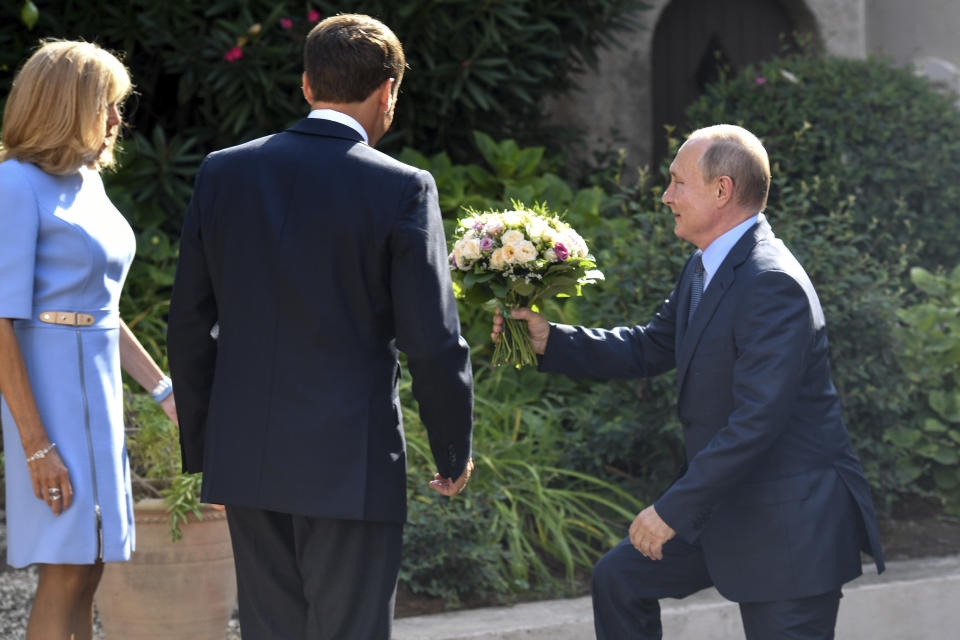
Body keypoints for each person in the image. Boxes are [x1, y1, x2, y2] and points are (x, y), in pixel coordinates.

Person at [493, 124, 885, 639]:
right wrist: (551, 341)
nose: (665, 195)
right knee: (621, 579)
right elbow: (651, 345)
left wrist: (672, 509)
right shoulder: (706, 266)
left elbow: (757, 422)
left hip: (788, 526)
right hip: (729, 503)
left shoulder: (770, 282)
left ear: (721, 190)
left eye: (677, 182)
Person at [166, 13, 474, 640]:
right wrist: (452, 447)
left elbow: (190, 325)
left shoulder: (222, 172)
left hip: (246, 457)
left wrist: (208, 454)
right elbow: (431, 341)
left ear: (307, 86)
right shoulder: (404, 188)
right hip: (351, 463)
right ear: (387, 91)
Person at [0, 40, 178, 640]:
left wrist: (162, 391)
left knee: (93, 564)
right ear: (67, 106)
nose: (116, 120)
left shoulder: (89, 185)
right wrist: (34, 444)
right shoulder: (14, 185)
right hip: (46, 396)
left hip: (98, 394)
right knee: (66, 570)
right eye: (107, 104)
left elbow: (102, 310)